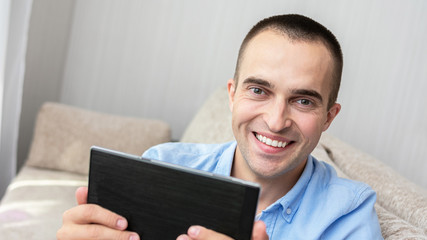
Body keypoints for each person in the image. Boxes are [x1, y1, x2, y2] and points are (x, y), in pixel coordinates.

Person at [57, 14, 383, 240]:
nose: (275, 121)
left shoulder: (348, 214)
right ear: (232, 94)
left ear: (328, 117)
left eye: (303, 101)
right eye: (259, 90)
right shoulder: (162, 163)